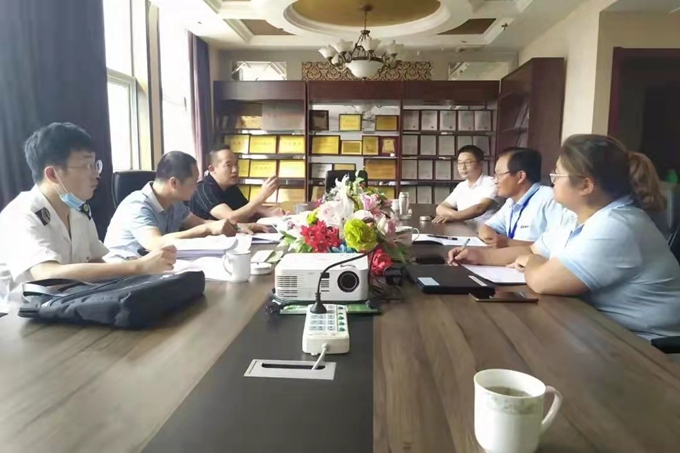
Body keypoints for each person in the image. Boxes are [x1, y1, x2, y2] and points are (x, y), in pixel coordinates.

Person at [448, 134, 680, 339]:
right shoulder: (574, 217)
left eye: (558, 174)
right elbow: (532, 250)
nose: (552, 180)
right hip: (597, 329)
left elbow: (543, 281)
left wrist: (533, 262)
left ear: (585, 185)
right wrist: (478, 256)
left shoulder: (617, 226)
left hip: (646, 349)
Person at [0, 123, 176, 299]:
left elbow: (95, 262)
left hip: (68, 303)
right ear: (53, 174)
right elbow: (48, 276)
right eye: (87, 166)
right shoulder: (20, 215)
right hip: (21, 312)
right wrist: (137, 267)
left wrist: (137, 270)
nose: (96, 175)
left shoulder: (78, 211)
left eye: (95, 165)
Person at [105, 151, 261, 260]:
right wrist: (206, 229)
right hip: (122, 279)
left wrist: (237, 227)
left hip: (153, 271)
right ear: (174, 183)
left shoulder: (174, 202)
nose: (196, 188)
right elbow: (156, 244)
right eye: (193, 183)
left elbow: (201, 223)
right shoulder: (137, 205)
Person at [479, 147, 576, 247]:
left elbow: (558, 246)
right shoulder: (511, 202)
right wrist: (491, 239)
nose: (495, 181)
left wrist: (508, 243)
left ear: (520, 176)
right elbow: (487, 226)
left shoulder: (550, 199)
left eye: (499, 175)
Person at [190, 147, 284, 223]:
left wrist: (269, 213)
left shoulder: (230, 187)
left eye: (236, 164)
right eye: (228, 165)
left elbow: (247, 208)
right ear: (212, 169)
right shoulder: (203, 189)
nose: (235, 170)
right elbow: (231, 218)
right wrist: (263, 195)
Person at [434, 145, 498, 223]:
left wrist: (454, 217)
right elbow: (440, 208)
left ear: (480, 163)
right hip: (463, 229)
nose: (463, 167)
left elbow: (480, 208)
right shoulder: (461, 186)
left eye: (468, 162)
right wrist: (455, 215)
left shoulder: (491, 183)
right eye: (460, 163)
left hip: (485, 230)